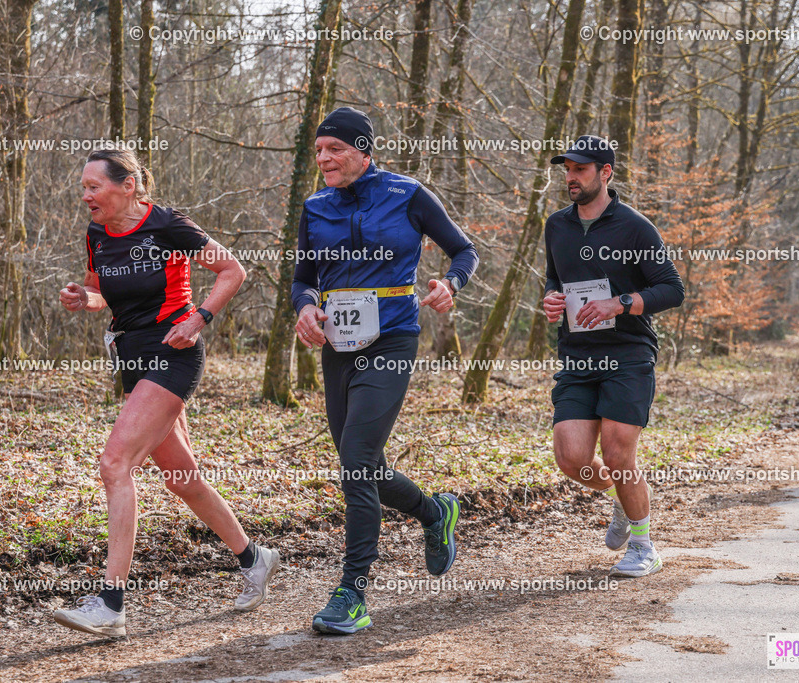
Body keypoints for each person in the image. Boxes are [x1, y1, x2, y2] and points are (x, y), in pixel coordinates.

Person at [52, 149, 280, 638]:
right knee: (181, 477)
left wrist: (200, 317)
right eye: (84, 187)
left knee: (115, 463)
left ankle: (111, 604)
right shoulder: (97, 234)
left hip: (172, 354)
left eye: (94, 186)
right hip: (132, 361)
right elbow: (101, 294)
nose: (85, 195)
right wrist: (83, 298)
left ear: (128, 185)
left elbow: (232, 270)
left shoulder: (168, 226)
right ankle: (254, 558)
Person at [292, 107, 479, 634]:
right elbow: (304, 276)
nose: (324, 158)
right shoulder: (315, 205)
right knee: (364, 463)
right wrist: (305, 307)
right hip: (338, 343)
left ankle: (352, 592)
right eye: (319, 150)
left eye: (335, 150)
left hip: (393, 336)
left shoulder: (407, 194)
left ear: (363, 150)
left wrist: (450, 284)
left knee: (355, 457)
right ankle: (434, 512)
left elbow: (464, 250)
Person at [542, 135, 684, 578]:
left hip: (627, 353)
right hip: (578, 355)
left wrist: (620, 303)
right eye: (567, 168)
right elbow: (555, 281)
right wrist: (550, 300)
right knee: (572, 459)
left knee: (620, 454)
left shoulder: (635, 227)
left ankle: (643, 546)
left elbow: (671, 289)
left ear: (605, 173)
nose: (570, 177)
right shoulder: (556, 226)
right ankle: (625, 499)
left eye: (580, 169)